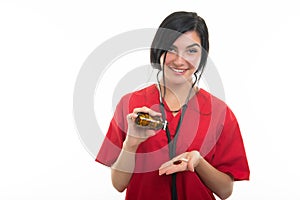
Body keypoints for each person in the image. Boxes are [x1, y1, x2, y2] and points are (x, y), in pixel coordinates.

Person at [96, 11, 250, 200]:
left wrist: (198, 162)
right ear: (158, 50)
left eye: (192, 51)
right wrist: (131, 143)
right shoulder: (130, 105)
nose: (179, 60)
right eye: (171, 49)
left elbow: (225, 191)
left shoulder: (220, 113)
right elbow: (118, 185)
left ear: (202, 56)